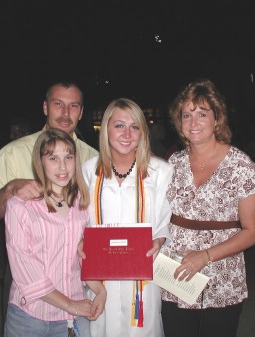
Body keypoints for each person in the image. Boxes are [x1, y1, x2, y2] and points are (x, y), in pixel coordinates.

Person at [0, 80, 98, 324]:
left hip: (75, 280)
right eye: (58, 104)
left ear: (82, 112)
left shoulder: (92, 158)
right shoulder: (14, 152)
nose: (65, 113)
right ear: (45, 107)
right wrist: (11, 189)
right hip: (27, 284)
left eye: (73, 106)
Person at [160, 79, 255, 337]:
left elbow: (253, 231)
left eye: (202, 114)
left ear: (217, 120)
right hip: (176, 270)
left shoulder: (241, 166)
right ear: (179, 123)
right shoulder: (174, 162)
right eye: (187, 115)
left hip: (221, 275)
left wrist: (204, 256)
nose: (193, 122)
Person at [81, 98, 172, 337]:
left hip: (141, 274)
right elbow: (77, 218)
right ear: (106, 128)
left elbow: (165, 216)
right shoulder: (88, 171)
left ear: (143, 131)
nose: (127, 134)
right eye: (119, 125)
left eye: (135, 126)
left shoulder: (160, 171)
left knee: (142, 329)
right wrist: (81, 239)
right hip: (101, 275)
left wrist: (159, 240)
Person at [4, 129, 106, 337]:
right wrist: (71, 305)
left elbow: (83, 259)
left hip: (74, 316)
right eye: (53, 158)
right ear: (40, 162)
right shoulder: (21, 206)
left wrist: (101, 291)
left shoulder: (83, 204)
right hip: (30, 317)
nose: (62, 167)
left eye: (68, 157)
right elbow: (27, 274)